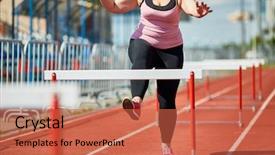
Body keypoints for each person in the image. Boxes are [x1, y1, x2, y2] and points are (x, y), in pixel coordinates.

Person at [100, 0, 212, 154]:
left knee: (166, 100)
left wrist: (197, 12)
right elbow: (114, 6)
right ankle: (136, 101)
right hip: (144, 40)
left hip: (171, 50)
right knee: (141, 54)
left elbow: (190, 7)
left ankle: (166, 143)